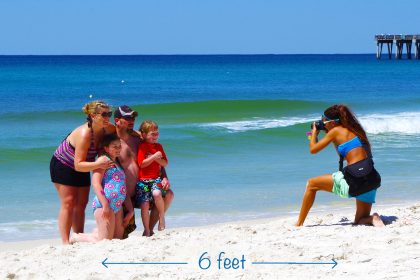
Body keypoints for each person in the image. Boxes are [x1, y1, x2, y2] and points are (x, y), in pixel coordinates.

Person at [296, 104, 385, 227]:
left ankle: (298, 224)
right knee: (360, 221)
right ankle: (372, 218)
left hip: (355, 181)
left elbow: (313, 150)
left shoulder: (336, 131)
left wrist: (314, 134)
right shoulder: (357, 130)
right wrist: (329, 135)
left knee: (311, 184)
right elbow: (342, 154)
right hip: (371, 179)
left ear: (332, 122)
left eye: (324, 120)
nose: (323, 123)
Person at [50, 100, 115, 244]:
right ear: (92, 115)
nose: (107, 117)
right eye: (104, 114)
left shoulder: (107, 129)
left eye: (109, 114)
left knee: (82, 203)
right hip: (64, 164)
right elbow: (78, 165)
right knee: (69, 202)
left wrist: (139, 135)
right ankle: (65, 242)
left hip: (86, 164)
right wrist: (98, 164)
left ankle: (78, 236)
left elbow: (123, 132)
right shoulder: (85, 133)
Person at [114, 105, 174, 237]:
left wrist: (164, 177)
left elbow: (157, 160)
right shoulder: (112, 142)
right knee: (119, 236)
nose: (132, 120)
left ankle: (149, 230)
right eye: (128, 117)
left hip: (145, 187)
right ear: (117, 120)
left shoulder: (139, 139)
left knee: (168, 195)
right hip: (126, 196)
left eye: (133, 117)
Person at [71, 133, 131, 242]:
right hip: (104, 205)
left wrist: (130, 209)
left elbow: (123, 187)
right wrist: (105, 204)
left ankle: (97, 231)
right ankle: (77, 237)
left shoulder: (117, 162)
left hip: (117, 206)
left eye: (119, 146)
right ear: (106, 148)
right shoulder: (103, 160)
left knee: (118, 239)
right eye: (114, 146)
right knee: (105, 241)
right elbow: (96, 183)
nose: (118, 149)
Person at [136, 120, 168, 236]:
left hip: (155, 179)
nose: (155, 136)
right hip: (143, 181)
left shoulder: (159, 146)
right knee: (144, 205)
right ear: (144, 134)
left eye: (157, 133)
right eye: (152, 134)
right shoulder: (142, 146)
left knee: (157, 194)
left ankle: (162, 217)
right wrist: (154, 156)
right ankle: (147, 230)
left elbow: (164, 163)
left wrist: (156, 158)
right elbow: (141, 164)